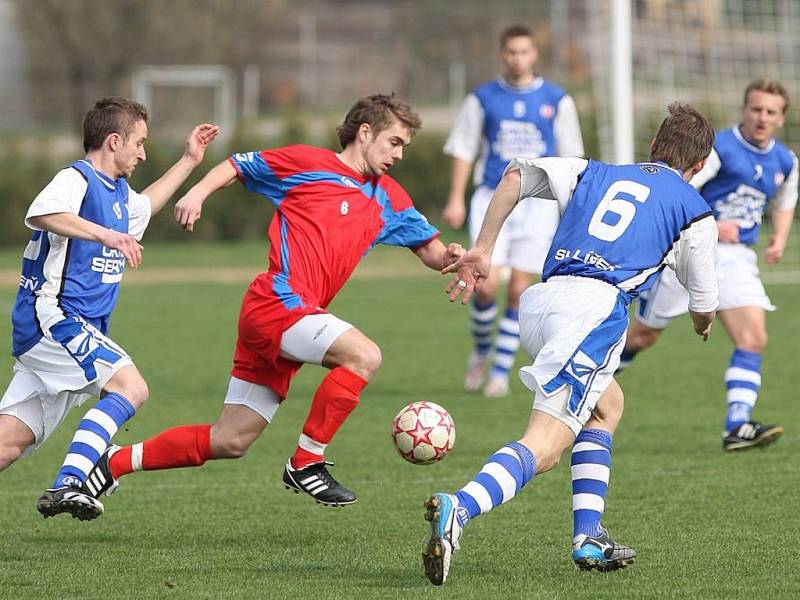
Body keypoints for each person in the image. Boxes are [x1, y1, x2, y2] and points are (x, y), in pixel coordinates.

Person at [78, 94, 464, 513]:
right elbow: (238, 166)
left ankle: (112, 462)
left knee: (231, 439)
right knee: (364, 356)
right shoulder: (308, 163)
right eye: (394, 142)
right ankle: (307, 461)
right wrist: (198, 194)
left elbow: (431, 250)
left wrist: (456, 259)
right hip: (277, 303)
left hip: (296, 318)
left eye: (404, 146)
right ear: (365, 133)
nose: (399, 154)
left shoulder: (389, 197)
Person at [421, 103, 720, 585]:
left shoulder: (591, 170)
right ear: (700, 165)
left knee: (607, 406)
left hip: (539, 305)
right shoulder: (694, 210)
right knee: (545, 448)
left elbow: (514, 176)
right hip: (594, 314)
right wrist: (702, 323)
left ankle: (588, 537)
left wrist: (484, 249)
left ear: (651, 146)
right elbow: (704, 303)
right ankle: (459, 509)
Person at [0, 97, 219, 520]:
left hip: (72, 332)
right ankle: (69, 483)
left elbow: (146, 206)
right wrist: (107, 236)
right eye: (138, 143)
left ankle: (68, 482)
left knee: (8, 444)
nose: (142, 153)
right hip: (54, 319)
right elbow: (42, 212)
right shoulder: (77, 179)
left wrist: (190, 160)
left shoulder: (118, 194)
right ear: (113, 140)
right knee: (131, 387)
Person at [618, 80, 797, 452]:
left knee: (753, 338)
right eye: (756, 109)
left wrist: (779, 238)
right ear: (744, 110)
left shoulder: (785, 160)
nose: (762, 117)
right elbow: (681, 189)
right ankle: (584, 388)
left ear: (782, 118)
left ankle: (737, 425)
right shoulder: (720, 150)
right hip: (690, 248)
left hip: (735, 259)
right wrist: (713, 220)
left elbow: (783, 201)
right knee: (643, 336)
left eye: (770, 112)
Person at [442, 24, 584, 398]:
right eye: (511, 52)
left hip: (538, 205)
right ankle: (482, 351)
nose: (518, 58)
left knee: (520, 288)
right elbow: (463, 148)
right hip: (493, 198)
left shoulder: (558, 99)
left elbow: (572, 160)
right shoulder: (482, 98)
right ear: (502, 55)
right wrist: (456, 197)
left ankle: (500, 374)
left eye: (525, 52)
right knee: (485, 286)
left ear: (534, 54)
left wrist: (574, 210)